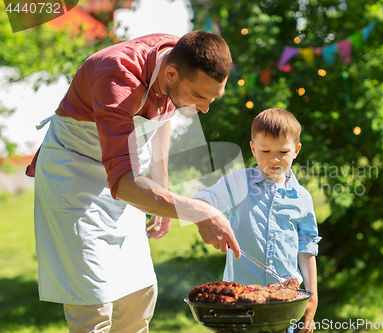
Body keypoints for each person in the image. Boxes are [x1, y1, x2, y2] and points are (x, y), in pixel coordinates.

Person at [26, 30, 241, 333]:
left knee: (140, 297)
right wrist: (198, 212)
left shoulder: (180, 59)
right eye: (199, 96)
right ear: (170, 73)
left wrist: (162, 191)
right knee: (93, 306)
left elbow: (165, 112)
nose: (205, 108)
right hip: (74, 179)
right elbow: (125, 185)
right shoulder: (117, 77)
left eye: (213, 97)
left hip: (127, 173)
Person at [190, 108, 321, 333]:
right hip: (239, 303)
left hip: (285, 304)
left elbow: (307, 249)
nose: (274, 158)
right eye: (265, 150)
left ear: (296, 150)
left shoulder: (302, 198)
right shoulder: (238, 183)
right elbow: (204, 199)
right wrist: (189, 209)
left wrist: (312, 298)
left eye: (283, 151)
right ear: (253, 148)